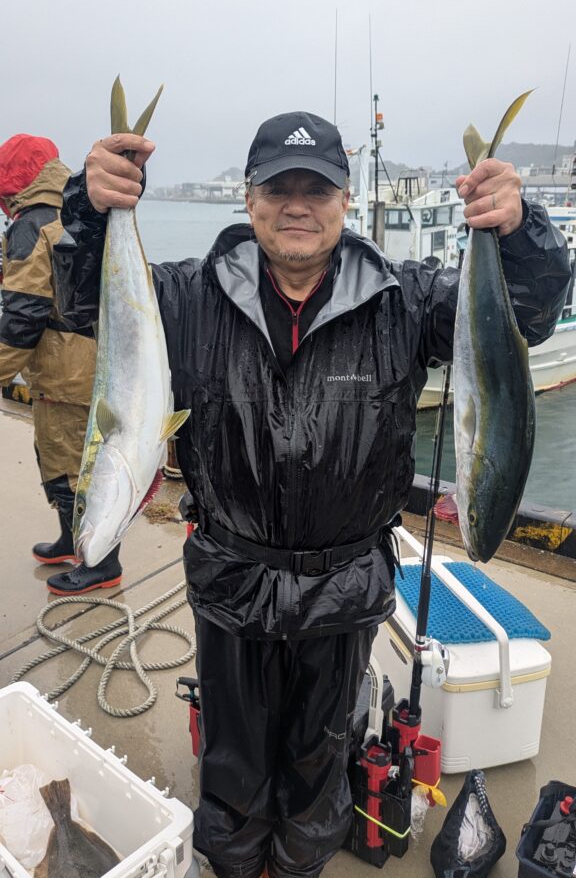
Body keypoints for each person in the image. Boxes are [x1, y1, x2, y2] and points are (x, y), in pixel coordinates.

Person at [53, 111, 571, 878]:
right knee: (232, 757)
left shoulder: (405, 299)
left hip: (346, 587)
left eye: (318, 190)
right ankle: (235, 859)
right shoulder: (188, 295)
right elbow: (85, 303)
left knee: (319, 753)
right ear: (249, 198)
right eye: (278, 189)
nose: (297, 205)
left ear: (345, 201)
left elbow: (526, 314)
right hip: (230, 578)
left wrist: (519, 230)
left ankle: (298, 861)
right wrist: (91, 212)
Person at [0, 133, 122, 595]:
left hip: (61, 369)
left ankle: (100, 561)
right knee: (70, 459)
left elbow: (23, 316)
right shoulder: (70, 213)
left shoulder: (30, 225)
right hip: (90, 361)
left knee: (70, 466)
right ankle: (73, 541)